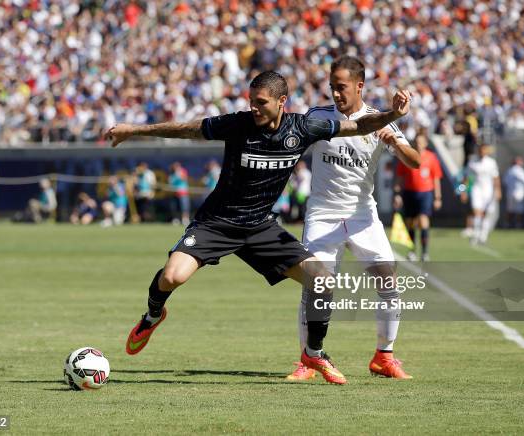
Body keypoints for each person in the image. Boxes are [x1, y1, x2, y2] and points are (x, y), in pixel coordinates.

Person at [104, 70, 412, 384]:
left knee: (321, 280)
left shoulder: (303, 128)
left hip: (260, 227)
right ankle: (153, 315)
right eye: (251, 101)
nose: (253, 107)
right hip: (216, 223)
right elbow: (187, 129)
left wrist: (392, 115)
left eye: (260, 102)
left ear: (282, 102)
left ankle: (313, 354)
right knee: (171, 277)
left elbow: (358, 125)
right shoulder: (238, 124)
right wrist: (135, 130)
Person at [285, 57, 420, 382]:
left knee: (389, 280)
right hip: (322, 214)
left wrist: (395, 144)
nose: (335, 92)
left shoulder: (379, 120)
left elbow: (414, 161)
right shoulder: (318, 117)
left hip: (362, 215)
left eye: (341, 86)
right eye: (332, 86)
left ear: (359, 86)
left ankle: (384, 357)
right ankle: (308, 360)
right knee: (315, 287)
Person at [394, 133, 443, 261]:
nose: (419, 144)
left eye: (421, 142)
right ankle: (412, 250)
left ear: (426, 143)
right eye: (417, 141)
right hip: (409, 192)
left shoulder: (431, 157)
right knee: (410, 223)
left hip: (425, 193)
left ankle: (425, 252)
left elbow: (436, 178)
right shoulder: (408, 155)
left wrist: (438, 197)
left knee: (423, 220)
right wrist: (397, 194)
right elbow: (400, 177)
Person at [464, 144, 501, 245]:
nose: (482, 152)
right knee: (477, 212)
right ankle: (475, 234)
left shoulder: (491, 162)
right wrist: (462, 191)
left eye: (484, 150)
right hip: (476, 190)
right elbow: (467, 178)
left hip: (488, 191)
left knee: (486, 214)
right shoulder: (472, 162)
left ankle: (483, 236)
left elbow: (496, 178)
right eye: (481, 150)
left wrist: (498, 190)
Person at [503, 156, 524, 228]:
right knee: (519, 210)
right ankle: (518, 225)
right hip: (519, 193)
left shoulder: (509, 170)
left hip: (510, 193)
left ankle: (508, 224)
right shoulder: (519, 170)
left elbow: (505, 182)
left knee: (510, 209)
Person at [169, 162, 190, 226]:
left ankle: (185, 219)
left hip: (183, 193)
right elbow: (170, 182)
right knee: (175, 208)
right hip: (175, 193)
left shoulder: (182, 171)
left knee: (184, 208)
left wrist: (179, 174)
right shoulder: (172, 174)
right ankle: (176, 220)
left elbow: (184, 178)